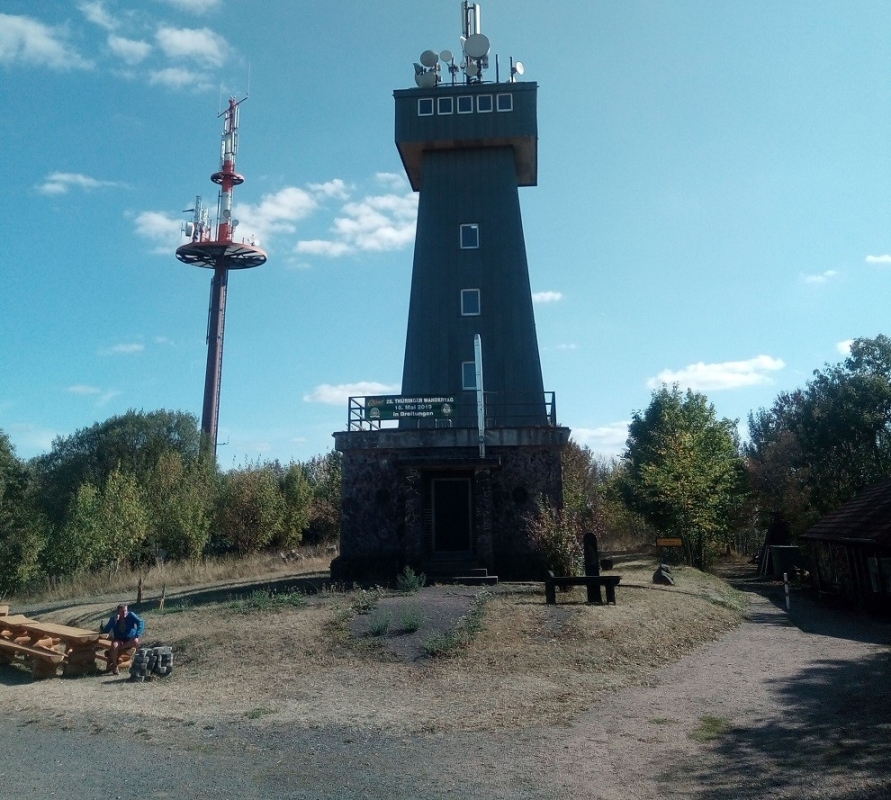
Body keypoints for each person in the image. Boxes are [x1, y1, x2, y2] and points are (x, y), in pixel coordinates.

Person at [101, 603, 144, 675]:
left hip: (129, 639)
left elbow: (140, 622)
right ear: (118, 612)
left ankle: (117, 649)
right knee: (114, 645)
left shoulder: (131, 615)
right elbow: (106, 630)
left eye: (125, 611)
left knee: (135, 641)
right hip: (119, 639)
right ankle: (115, 666)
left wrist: (137, 634)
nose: (124, 613)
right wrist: (114, 621)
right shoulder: (114, 618)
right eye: (122, 611)